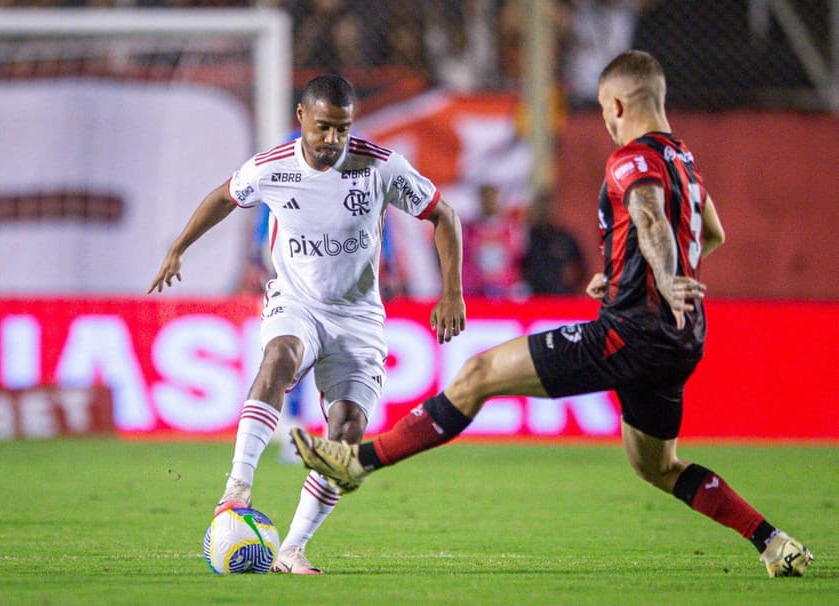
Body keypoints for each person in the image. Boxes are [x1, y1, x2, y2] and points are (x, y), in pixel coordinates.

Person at [290, 51, 814, 578]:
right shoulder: (685, 161)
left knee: (477, 375)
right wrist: (636, 276)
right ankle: (773, 543)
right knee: (657, 466)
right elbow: (712, 234)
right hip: (681, 341)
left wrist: (664, 273)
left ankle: (358, 461)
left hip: (630, 334)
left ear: (614, 104)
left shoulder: (631, 159)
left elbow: (650, 216)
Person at [148, 74, 466, 574]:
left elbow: (443, 214)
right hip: (296, 301)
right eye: (323, 128)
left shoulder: (380, 166)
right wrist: (178, 248)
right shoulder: (273, 167)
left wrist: (452, 292)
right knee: (279, 359)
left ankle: (292, 547)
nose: (333, 140)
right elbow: (224, 197)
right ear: (301, 118)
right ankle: (237, 488)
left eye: (342, 129)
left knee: (345, 431)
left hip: (359, 317)